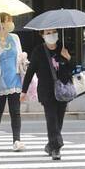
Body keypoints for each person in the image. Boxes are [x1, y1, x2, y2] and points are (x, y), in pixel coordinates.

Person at [21, 28, 74, 160]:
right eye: (48, 33)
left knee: (59, 120)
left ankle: (51, 145)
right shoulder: (38, 51)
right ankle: (56, 148)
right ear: (42, 35)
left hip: (62, 91)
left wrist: (68, 59)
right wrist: (24, 91)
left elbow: (71, 70)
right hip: (46, 91)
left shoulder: (63, 48)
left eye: (54, 32)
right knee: (52, 120)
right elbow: (30, 72)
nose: (51, 35)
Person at [0, 12, 26, 151]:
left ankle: (17, 140)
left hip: (14, 78)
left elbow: (19, 54)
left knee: (15, 111)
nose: (9, 24)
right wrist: (0, 48)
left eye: (10, 21)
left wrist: (23, 57)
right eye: (7, 21)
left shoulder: (15, 37)